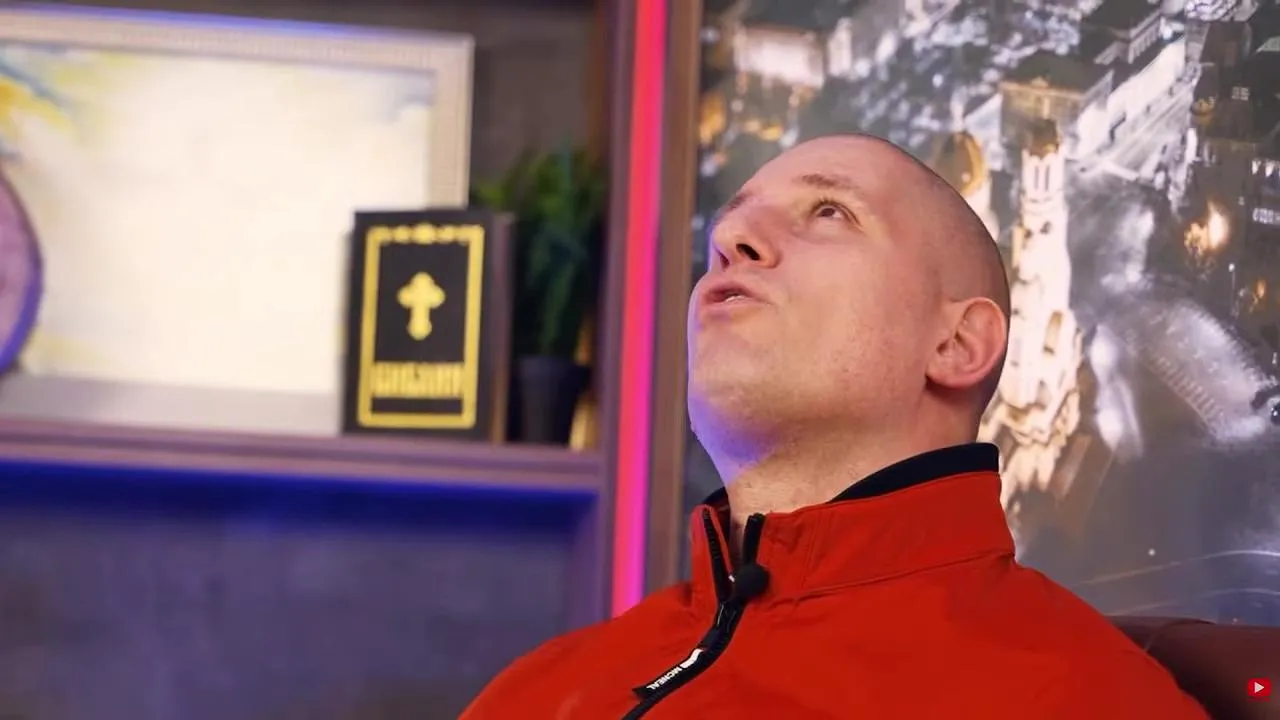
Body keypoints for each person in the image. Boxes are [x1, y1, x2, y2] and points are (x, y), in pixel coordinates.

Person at [461, 135, 1208, 719]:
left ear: (957, 343)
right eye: (727, 226)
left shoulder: (1082, 700)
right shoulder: (535, 692)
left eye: (830, 212)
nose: (732, 238)